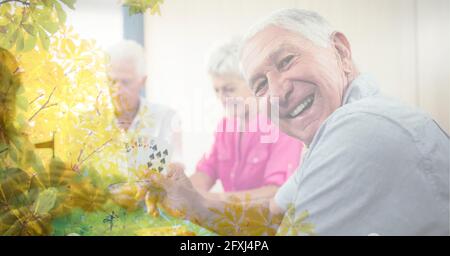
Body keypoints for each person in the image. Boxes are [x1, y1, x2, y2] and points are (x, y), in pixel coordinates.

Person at [148, 9, 449, 235]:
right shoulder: (329, 134)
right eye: (261, 84)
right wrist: (195, 204)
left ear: (341, 52)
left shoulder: (359, 128)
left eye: (286, 61)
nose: (278, 91)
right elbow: (273, 211)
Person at [190, 39, 304, 201]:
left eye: (229, 89)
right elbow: (207, 170)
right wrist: (182, 189)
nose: (221, 98)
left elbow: (276, 191)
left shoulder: (282, 127)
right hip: (231, 221)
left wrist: (215, 199)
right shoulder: (225, 125)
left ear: (255, 83)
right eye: (216, 90)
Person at [105, 40, 182, 177]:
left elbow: (176, 169)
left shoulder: (166, 118)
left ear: (143, 81)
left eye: (125, 82)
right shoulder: (91, 122)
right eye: (112, 81)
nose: (117, 90)